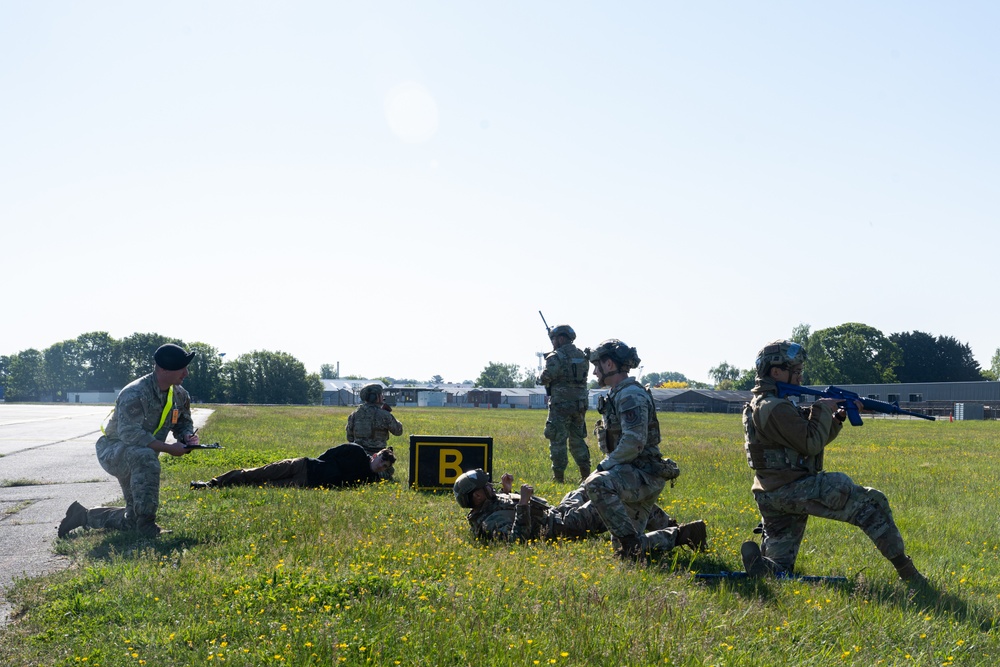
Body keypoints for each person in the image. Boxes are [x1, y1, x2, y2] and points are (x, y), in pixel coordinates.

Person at [740, 339, 924, 583]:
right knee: (872, 502)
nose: (800, 378)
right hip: (793, 489)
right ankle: (908, 573)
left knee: (781, 567)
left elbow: (810, 441)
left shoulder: (765, 405)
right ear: (776, 372)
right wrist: (821, 410)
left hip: (770, 492)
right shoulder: (775, 407)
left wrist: (835, 418)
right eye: (795, 372)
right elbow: (810, 444)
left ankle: (764, 568)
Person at [583, 339, 707, 560]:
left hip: (643, 474)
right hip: (632, 473)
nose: (594, 372)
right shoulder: (618, 393)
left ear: (609, 364)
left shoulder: (630, 395)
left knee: (597, 484)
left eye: (596, 365)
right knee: (626, 554)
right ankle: (683, 535)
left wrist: (603, 467)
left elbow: (634, 442)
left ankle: (631, 544)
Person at [58, 343, 198, 539]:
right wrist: (168, 448)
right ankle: (147, 526)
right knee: (145, 456)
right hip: (114, 451)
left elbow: (183, 423)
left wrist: (187, 437)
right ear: (163, 369)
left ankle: (83, 516)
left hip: (138, 453)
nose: (186, 373)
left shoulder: (180, 395)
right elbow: (130, 434)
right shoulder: (135, 392)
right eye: (181, 368)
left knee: (131, 519)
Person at [453, 468, 704, 553]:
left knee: (591, 483)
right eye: (485, 485)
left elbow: (503, 506)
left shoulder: (489, 505)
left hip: (557, 513)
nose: (490, 485)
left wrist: (508, 491)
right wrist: (522, 502)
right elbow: (516, 540)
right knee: (611, 500)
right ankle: (676, 532)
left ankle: (670, 525)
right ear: (476, 495)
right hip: (563, 526)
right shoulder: (489, 522)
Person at [189, 444, 395, 489]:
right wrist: (321, 465)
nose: (379, 467)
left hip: (305, 482)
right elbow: (330, 453)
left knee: (264, 485)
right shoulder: (356, 451)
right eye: (380, 462)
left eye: (383, 467)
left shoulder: (370, 480)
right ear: (376, 455)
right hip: (304, 464)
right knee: (256, 473)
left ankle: (227, 487)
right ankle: (212, 484)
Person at [537, 324, 592, 483]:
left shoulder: (555, 356)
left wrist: (539, 378)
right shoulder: (582, 356)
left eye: (554, 338)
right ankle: (586, 475)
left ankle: (558, 478)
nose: (553, 341)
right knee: (577, 439)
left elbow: (546, 377)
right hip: (580, 404)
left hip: (561, 404)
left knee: (557, 439)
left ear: (561, 338)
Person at [346, 383, 403, 478]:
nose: (383, 396)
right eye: (381, 395)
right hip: (378, 456)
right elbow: (398, 431)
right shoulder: (384, 415)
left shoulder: (354, 414)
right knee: (389, 471)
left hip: (358, 456)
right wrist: (389, 414)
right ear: (376, 397)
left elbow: (350, 438)